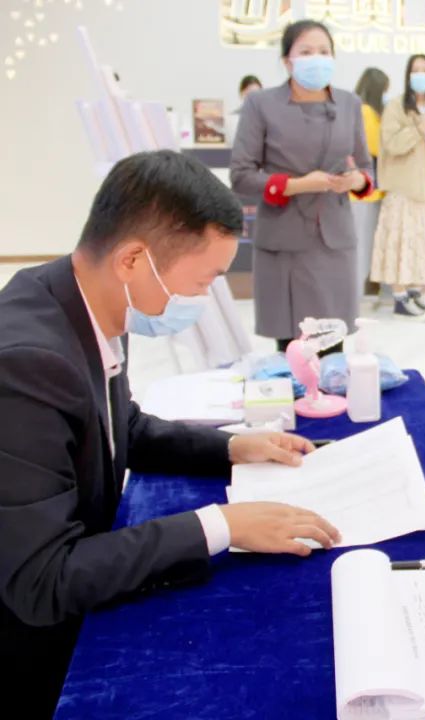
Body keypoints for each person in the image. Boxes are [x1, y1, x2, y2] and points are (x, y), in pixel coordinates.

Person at [0, 151, 341, 718]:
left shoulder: (87, 299)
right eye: (202, 281)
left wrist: (233, 446)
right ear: (133, 259)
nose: (201, 300)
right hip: (32, 650)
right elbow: (43, 580)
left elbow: (122, 426)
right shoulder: (26, 364)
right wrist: (221, 525)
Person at [230, 20, 374, 351]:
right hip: (285, 242)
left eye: (324, 51)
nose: (317, 59)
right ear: (287, 61)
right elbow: (241, 175)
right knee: (294, 351)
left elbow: (366, 167)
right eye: (306, 52)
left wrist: (357, 180)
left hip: (334, 241)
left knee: (333, 346)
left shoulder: (350, 104)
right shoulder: (261, 104)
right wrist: (296, 185)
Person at [370, 54, 425, 318]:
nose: (421, 75)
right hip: (404, 187)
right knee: (402, 241)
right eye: (416, 70)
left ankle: (415, 293)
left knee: (422, 242)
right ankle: (399, 297)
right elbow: (392, 144)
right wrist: (421, 128)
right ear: (408, 76)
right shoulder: (396, 107)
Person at [353, 67, 392, 303]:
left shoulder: (363, 110)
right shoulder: (365, 112)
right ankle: (353, 299)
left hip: (371, 191)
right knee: (363, 248)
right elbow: (376, 146)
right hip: (364, 193)